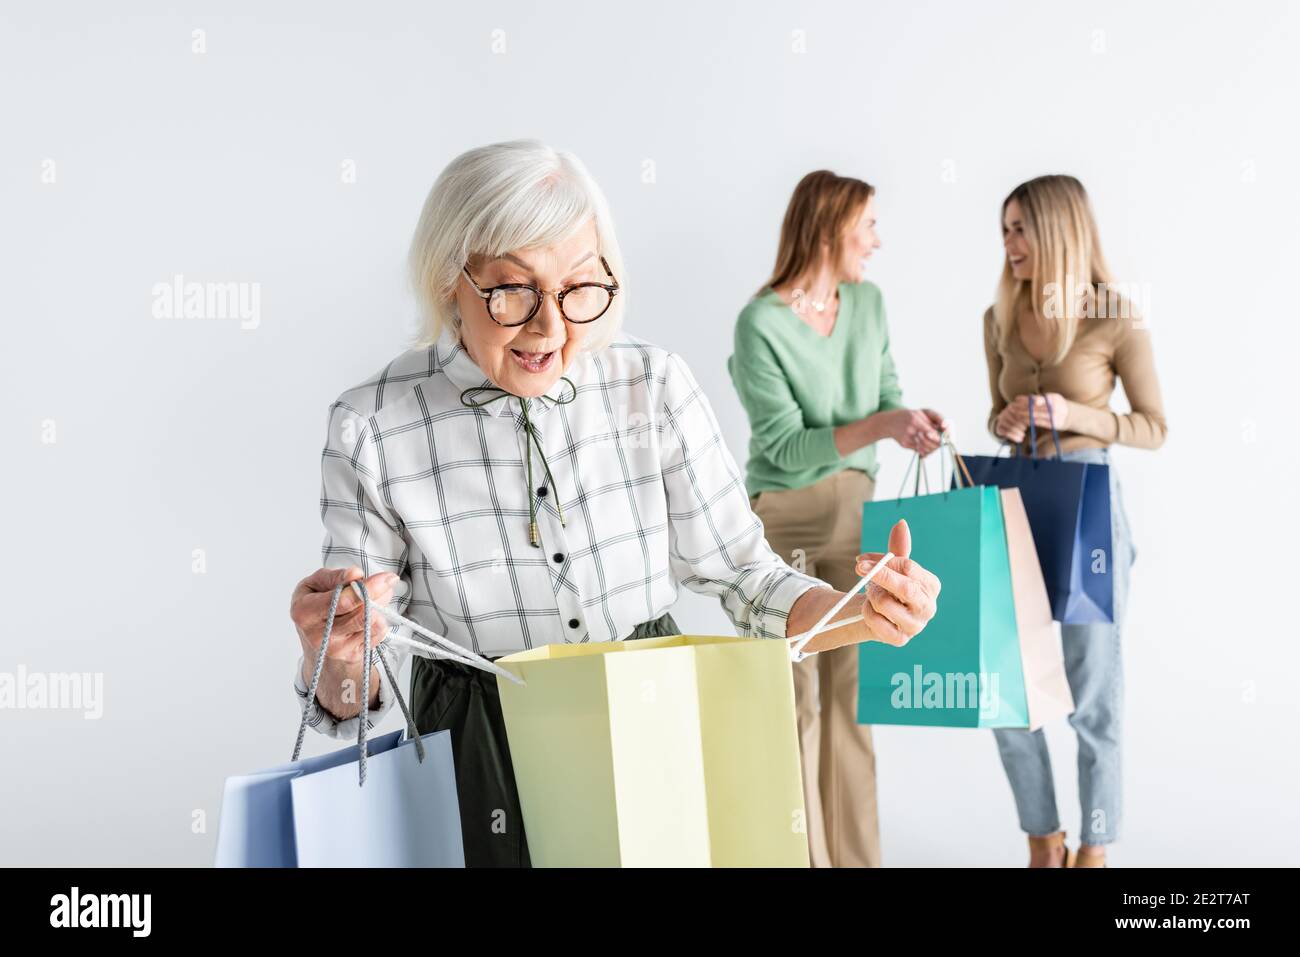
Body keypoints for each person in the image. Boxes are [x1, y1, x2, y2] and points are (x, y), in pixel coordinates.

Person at [287, 141, 941, 867]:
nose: (552, 329)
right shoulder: (372, 423)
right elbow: (353, 696)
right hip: (476, 742)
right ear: (449, 279)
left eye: (579, 288)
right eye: (513, 291)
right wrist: (334, 653)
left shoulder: (651, 383)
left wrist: (861, 611)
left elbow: (745, 577)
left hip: (653, 716)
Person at [728, 170, 947, 868]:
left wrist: (906, 424)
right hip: (782, 526)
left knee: (853, 709)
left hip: (859, 519)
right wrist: (882, 421)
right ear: (828, 229)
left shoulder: (869, 303)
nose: (877, 242)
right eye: (869, 226)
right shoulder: (760, 322)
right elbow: (788, 447)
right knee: (795, 706)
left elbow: (885, 392)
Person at [984, 174, 1167, 867]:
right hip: (1016, 505)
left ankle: (1094, 847)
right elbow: (994, 413)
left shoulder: (1114, 315)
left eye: (1020, 228)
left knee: (1092, 689)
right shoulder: (997, 317)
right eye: (1004, 230)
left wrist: (1072, 416)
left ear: (1059, 229)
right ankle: (1043, 837)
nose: (1008, 244)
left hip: (1088, 505)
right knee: (1005, 682)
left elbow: (1154, 427)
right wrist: (1002, 419)